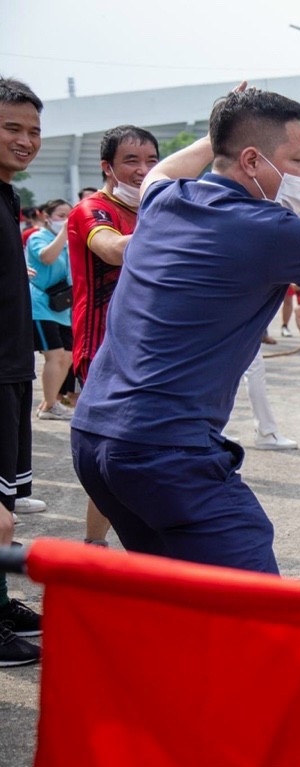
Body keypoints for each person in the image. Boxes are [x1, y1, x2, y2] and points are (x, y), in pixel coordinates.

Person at [69, 85, 300, 573]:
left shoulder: (167, 199)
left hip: (93, 437)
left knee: (176, 595)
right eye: (296, 160)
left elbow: (161, 170)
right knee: (252, 605)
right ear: (254, 160)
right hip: (165, 450)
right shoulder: (267, 227)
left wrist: (220, 128)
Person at [67, 123, 160, 547]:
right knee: (113, 457)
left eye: (152, 161)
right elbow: (110, 248)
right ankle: (95, 547)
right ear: (107, 167)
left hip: (148, 350)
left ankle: (122, 546)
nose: (143, 170)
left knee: (140, 454)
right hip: (102, 351)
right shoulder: (92, 210)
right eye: (131, 161)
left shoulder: (152, 210)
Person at [0, 77, 44, 666]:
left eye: (34, 130)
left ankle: (2, 598)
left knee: (5, 501)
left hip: (13, 366)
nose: (26, 140)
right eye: (12, 127)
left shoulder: (9, 195)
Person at [25, 198, 74, 420]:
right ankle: (49, 404)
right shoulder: (39, 237)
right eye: (60, 215)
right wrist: (64, 232)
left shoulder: (67, 241)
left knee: (68, 356)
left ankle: (49, 402)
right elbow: (47, 257)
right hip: (41, 304)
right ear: (46, 216)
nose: (65, 220)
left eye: (68, 216)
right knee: (54, 355)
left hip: (61, 305)